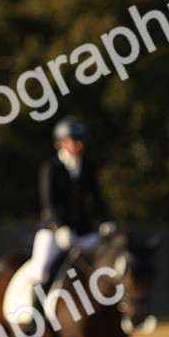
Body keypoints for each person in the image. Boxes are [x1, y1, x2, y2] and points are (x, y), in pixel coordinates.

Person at [28, 115, 115, 292]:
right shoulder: (51, 167)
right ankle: (33, 315)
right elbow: (48, 202)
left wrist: (106, 221)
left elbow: (97, 199)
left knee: (112, 261)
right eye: (75, 141)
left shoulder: (88, 168)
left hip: (83, 231)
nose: (80, 145)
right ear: (61, 142)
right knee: (40, 271)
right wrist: (60, 228)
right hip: (53, 231)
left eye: (82, 141)